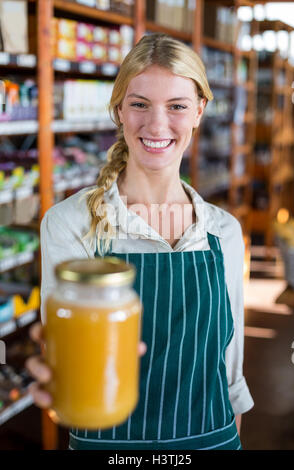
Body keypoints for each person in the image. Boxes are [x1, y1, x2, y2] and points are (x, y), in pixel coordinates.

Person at [26, 33, 254, 450]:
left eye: (177, 106)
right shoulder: (70, 223)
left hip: (212, 437)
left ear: (200, 111)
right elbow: (69, 361)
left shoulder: (224, 232)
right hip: (109, 446)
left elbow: (230, 357)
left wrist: (230, 430)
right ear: (119, 110)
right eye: (139, 104)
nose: (156, 124)